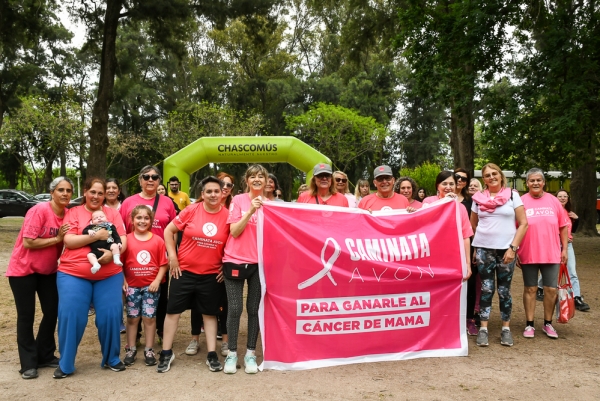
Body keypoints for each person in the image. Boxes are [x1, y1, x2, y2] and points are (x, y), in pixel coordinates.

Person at [54, 177, 128, 378]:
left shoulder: (113, 214)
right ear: (85, 192)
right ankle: (66, 363)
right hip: (74, 272)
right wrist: (96, 236)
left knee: (111, 315)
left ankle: (112, 358)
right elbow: (69, 241)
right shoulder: (73, 213)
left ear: (105, 195)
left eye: (100, 193)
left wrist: (110, 255)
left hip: (109, 273)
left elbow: (123, 240)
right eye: (92, 192)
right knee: (71, 315)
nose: (96, 196)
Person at [157, 176, 230, 373]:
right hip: (184, 272)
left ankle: (212, 354)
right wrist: (172, 256)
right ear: (202, 194)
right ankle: (166, 353)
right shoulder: (191, 210)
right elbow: (168, 231)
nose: (213, 195)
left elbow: (233, 244)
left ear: (222, 193)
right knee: (173, 312)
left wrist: (225, 266)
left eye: (217, 191)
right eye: (209, 191)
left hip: (211, 275)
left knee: (209, 313)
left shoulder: (228, 216)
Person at [6, 177, 73, 379]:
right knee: (26, 316)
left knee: (52, 311)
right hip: (23, 271)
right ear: (52, 192)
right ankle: (28, 363)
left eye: (68, 190)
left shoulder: (69, 214)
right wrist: (57, 239)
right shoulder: (39, 210)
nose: (65, 194)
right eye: (60, 190)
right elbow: (28, 242)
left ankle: (45, 354)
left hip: (48, 271)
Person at [469, 163, 528, 347]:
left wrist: (513, 248)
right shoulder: (478, 198)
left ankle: (505, 329)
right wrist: (476, 247)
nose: (491, 177)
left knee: (504, 291)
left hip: (506, 251)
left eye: (494, 174)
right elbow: (473, 225)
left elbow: (524, 223)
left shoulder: (513, 195)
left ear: (501, 176)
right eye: (487, 175)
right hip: (484, 250)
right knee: (486, 289)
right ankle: (484, 330)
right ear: (483, 179)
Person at [120, 166, 177, 344]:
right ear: (140, 180)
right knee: (133, 297)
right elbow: (121, 229)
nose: (150, 180)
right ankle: (134, 336)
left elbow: (174, 230)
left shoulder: (167, 202)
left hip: (159, 259)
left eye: (154, 177)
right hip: (133, 260)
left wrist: (172, 253)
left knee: (160, 296)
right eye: (146, 176)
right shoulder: (129, 202)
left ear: (160, 180)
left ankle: (159, 331)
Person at [222, 165, 269, 374]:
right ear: (247, 181)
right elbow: (234, 231)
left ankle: (250, 353)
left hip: (259, 264)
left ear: (266, 181)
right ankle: (232, 354)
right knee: (234, 308)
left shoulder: (272, 205)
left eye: (261, 176)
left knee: (254, 309)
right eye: (253, 177)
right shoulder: (239, 200)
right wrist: (251, 209)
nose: (257, 179)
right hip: (235, 260)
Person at [518, 168, 568, 339]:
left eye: (539, 180)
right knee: (530, 289)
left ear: (544, 182)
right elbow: (514, 227)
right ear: (527, 183)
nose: (535, 183)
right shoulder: (521, 201)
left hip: (552, 253)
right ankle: (529, 324)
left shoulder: (554, 201)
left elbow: (563, 227)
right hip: (528, 252)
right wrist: (515, 249)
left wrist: (565, 249)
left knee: (550, 290)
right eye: (532, 180)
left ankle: (548, 324)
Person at [122, 205, 168, 367]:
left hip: (151, 288)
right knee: (132, 318)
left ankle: (149, 349)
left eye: (146, 218)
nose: (142, 221)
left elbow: (164, 264)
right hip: (132, 288)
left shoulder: (158, 240)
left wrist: (157, 280)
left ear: (151, 221)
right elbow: (119, 263)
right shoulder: (126, 239)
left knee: (149, 318)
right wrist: (123, 280)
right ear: (132, 220)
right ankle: (131, 348)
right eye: (139, 218)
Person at [421, 171, 473, 279]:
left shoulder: (461, 208)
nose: (448, 187)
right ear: (437, 186)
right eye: (444, 184)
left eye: (451, 184)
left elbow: (466, 237)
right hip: (431, 256)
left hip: (453, 256)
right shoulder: (429, 201)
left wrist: (467, 264)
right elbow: (423, 223)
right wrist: (445, 201)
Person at [551, 190, 590, 311]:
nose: (562, 198)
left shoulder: (569, 213)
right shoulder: (552, 212)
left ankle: (576, 297)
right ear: (555, 198)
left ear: (568, 199)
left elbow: (572, 231)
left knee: (572, 271)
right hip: (554, 245)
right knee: (551, 269)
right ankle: (540, 288)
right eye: (560, 196)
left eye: (565, 196)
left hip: (568, 246)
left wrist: (577, 219)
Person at [84, 210, 123, 274]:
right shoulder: (91, 227)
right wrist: (88, 231)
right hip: (95, 249)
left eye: (101, 217)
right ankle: (96, 264)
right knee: (90, 255)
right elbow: (84, 231)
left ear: (106, 218)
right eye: (96, 218)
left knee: (115, 246)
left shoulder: (110, 226)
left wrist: (119, 242)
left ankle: (116, 259)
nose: (99, 218)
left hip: (108, 246)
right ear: (92, 221)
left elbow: (116, 236)